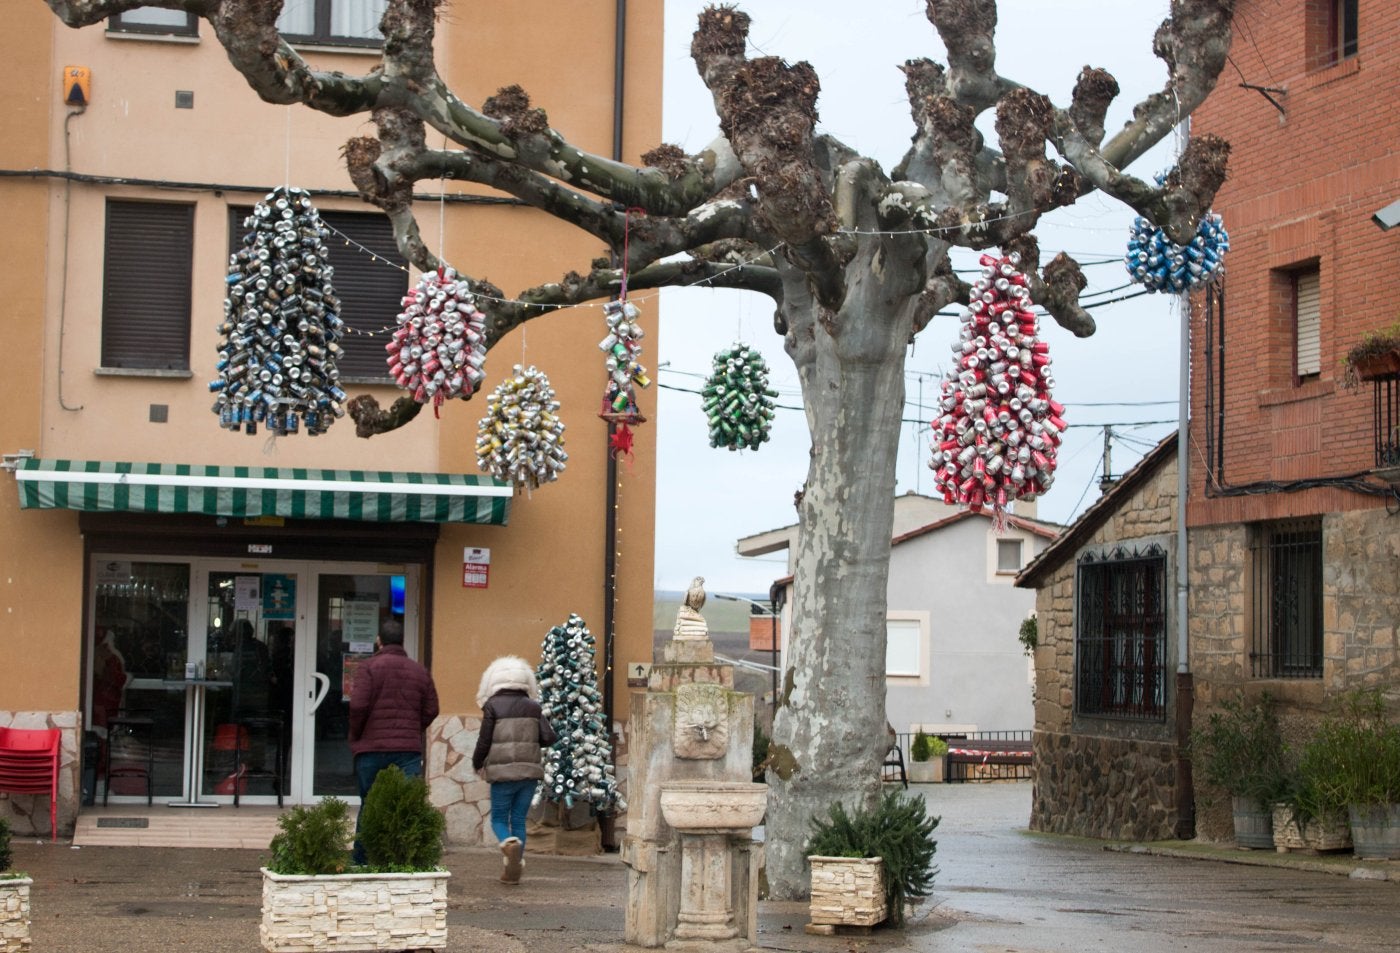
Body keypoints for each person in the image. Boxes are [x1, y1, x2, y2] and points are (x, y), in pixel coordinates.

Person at [348, 618, 439, 865]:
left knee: (369, 804)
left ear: (379, 641)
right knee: (404, 805)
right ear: (402, 641)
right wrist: (413, 728)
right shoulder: (419, 670)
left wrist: (356, 736)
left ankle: (362, 860)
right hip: (407, 750)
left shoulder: (368, 667)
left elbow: (357, 706)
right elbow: (432, 709)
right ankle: (402, 859)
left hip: (371, 748)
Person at [472, 655, 556, 885]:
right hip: (529, 773)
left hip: (502, 775)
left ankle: (508, 844)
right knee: (519, 818)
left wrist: (477, 763)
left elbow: (484, 741)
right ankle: (514, 865)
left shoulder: (492, 706)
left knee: (499, 818)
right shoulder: (533, 706)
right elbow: (549, 737)